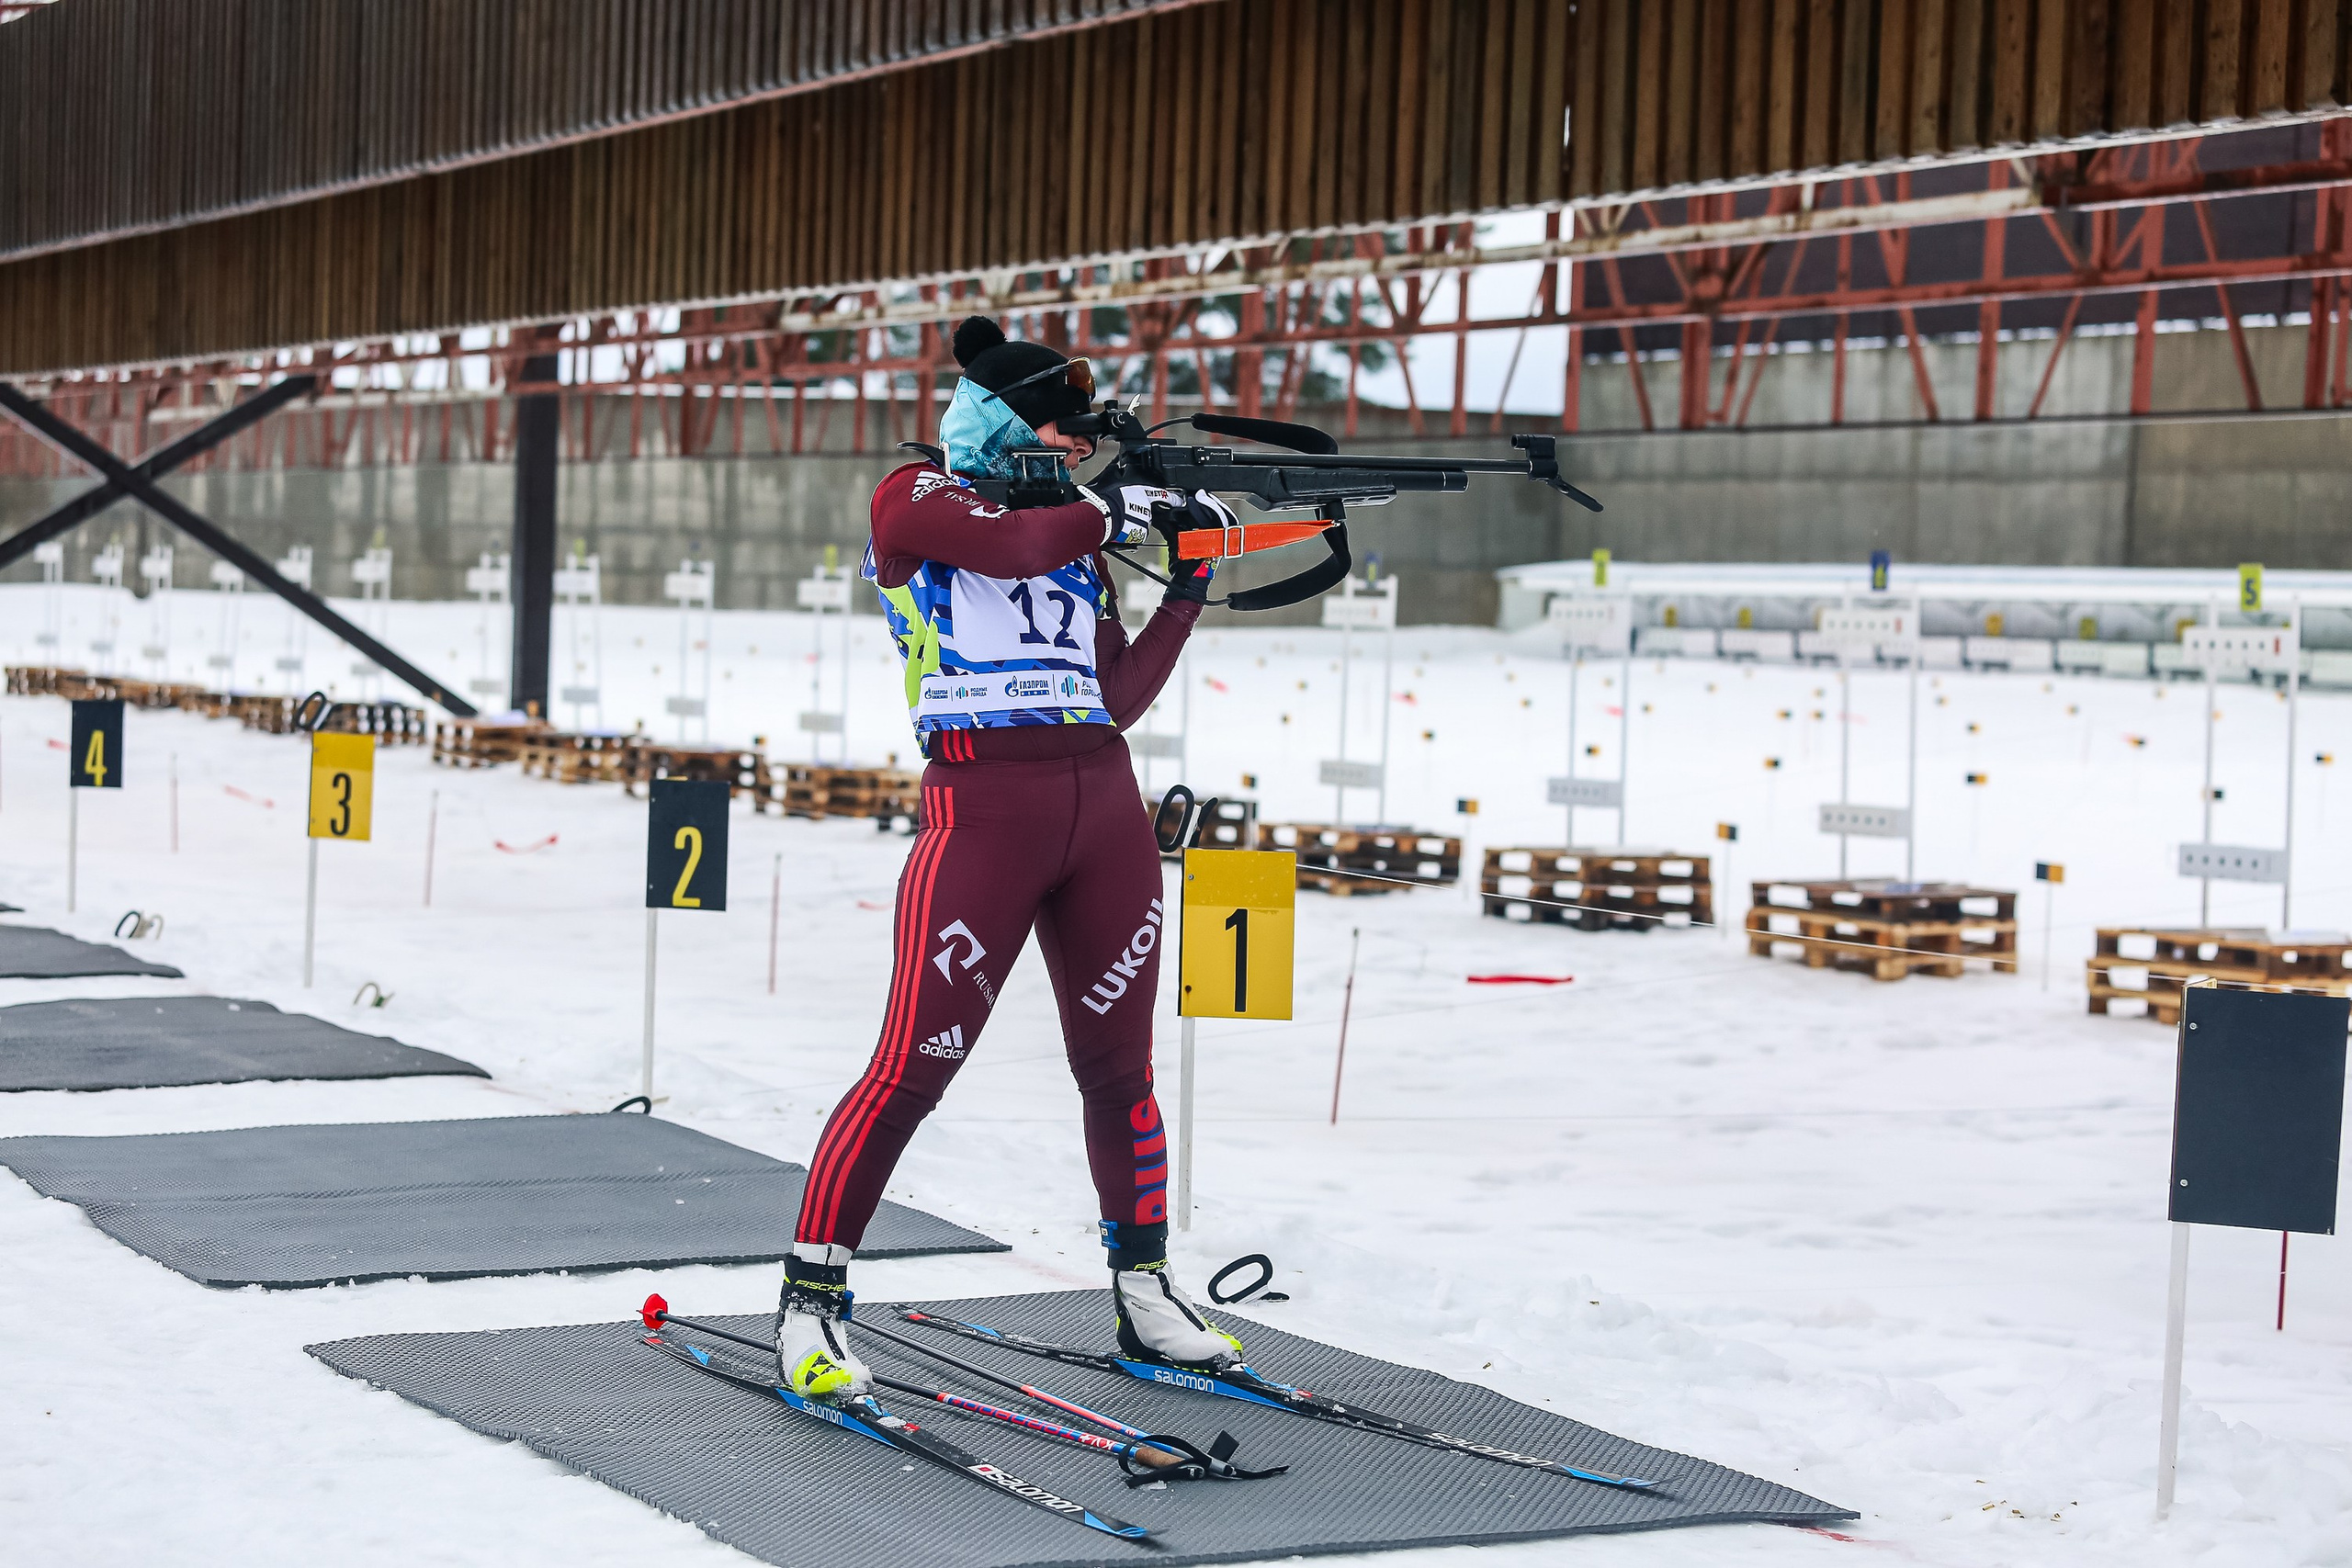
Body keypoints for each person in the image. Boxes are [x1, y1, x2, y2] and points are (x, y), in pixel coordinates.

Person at [775, 315, 1244, 1399]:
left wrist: (1186, 583)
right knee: (911, 1068)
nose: (1077, 451)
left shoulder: (1078, 539)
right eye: (1060, 431)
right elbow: (1021, 544)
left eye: (1085, 441)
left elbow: (1112, 695)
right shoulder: (916, 501)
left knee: (1120, 1072)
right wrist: (1112, 508)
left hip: (1104, 810)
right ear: (995, 422)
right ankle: (812, 1300)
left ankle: (1144, 1289)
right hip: (982, 812)